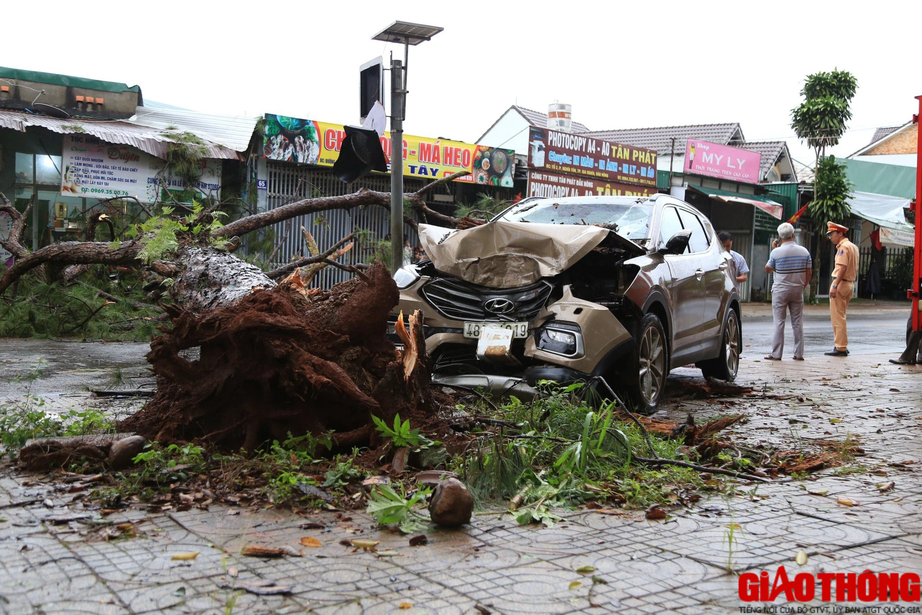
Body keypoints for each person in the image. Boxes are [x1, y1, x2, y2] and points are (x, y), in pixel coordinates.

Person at [764, 223, 811, 361]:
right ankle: (799, 353)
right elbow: (809, 272)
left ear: (779, 237)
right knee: (797, 322)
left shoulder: (776, 252)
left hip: (780, 291)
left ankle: (777, 354)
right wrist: (802, 285)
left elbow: (768, 269)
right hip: (797, 289)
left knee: (779, 322)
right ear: (793, 235)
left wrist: (774, 250)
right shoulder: (804, 252)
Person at [825, 221, 859, 357]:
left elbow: (842, 267)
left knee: (837, 317)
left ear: (840, 233)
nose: (830, 237)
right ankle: (842, 344)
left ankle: (840, 347)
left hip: (841, 283)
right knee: (841, 316)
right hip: (849, 283)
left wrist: (834, 285)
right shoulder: (853, 246)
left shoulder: (843, 248)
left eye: (832, 234)